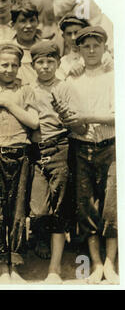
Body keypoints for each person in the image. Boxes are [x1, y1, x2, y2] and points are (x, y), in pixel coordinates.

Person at [60, 26, 118, 284]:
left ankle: (110, 264)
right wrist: (75, 121)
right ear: (79, 49)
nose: (92, 50)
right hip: (81, 147)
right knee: (86, 206)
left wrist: (88, 117)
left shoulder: (115, 76)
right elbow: (67, 115)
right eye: (86, 46)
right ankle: (95, 264)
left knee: (112, 206)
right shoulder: (71, 79)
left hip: (112, 146)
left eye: (97, 45)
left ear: (105, 47)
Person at [0, 43, 39, 284]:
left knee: (18, 211)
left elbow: (34, 122)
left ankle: (15, 264)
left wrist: (7, 102)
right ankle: (1, 266)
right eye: (4, 64)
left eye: (14, 65)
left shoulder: (26, 91)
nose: (9, 69)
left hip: (21, 152)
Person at [28, 41, 82, 283]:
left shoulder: (65, 87)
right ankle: (40, 238)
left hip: (60, 147)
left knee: (59, 208)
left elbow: (79, 124)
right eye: (41, 62)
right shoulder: (28, 89)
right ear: (33, 65)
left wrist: (65, 116)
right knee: (38, 209)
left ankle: (54, 268)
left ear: (58, 63)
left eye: (51, 61)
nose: (46, 66)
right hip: (36, 152)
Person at [11, 0, 44, 85]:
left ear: (38, 22)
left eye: (32, 20)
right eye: (23, 21)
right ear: (13, 24)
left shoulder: (46, 46)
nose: (28, 26)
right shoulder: (8, 50)